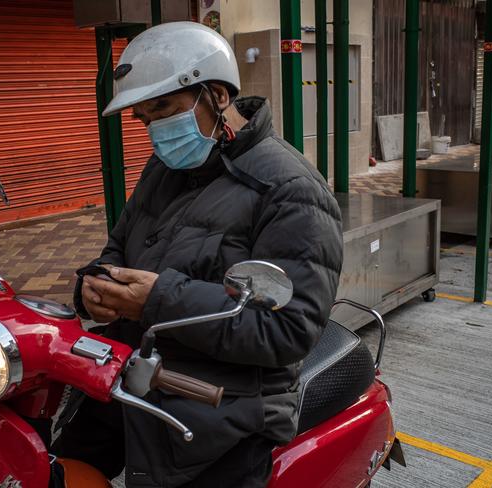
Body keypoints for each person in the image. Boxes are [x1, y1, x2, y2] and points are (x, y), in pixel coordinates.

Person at [52, 21, 343, 488]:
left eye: (164, 107)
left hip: (225, 407)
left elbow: (287, 330)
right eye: (145, 118)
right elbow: (120, 247)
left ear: (217, 95)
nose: (157, 130)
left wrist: (156, 299)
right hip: (133, 378)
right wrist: (93, 286)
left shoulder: (291, 191)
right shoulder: (164, 168)